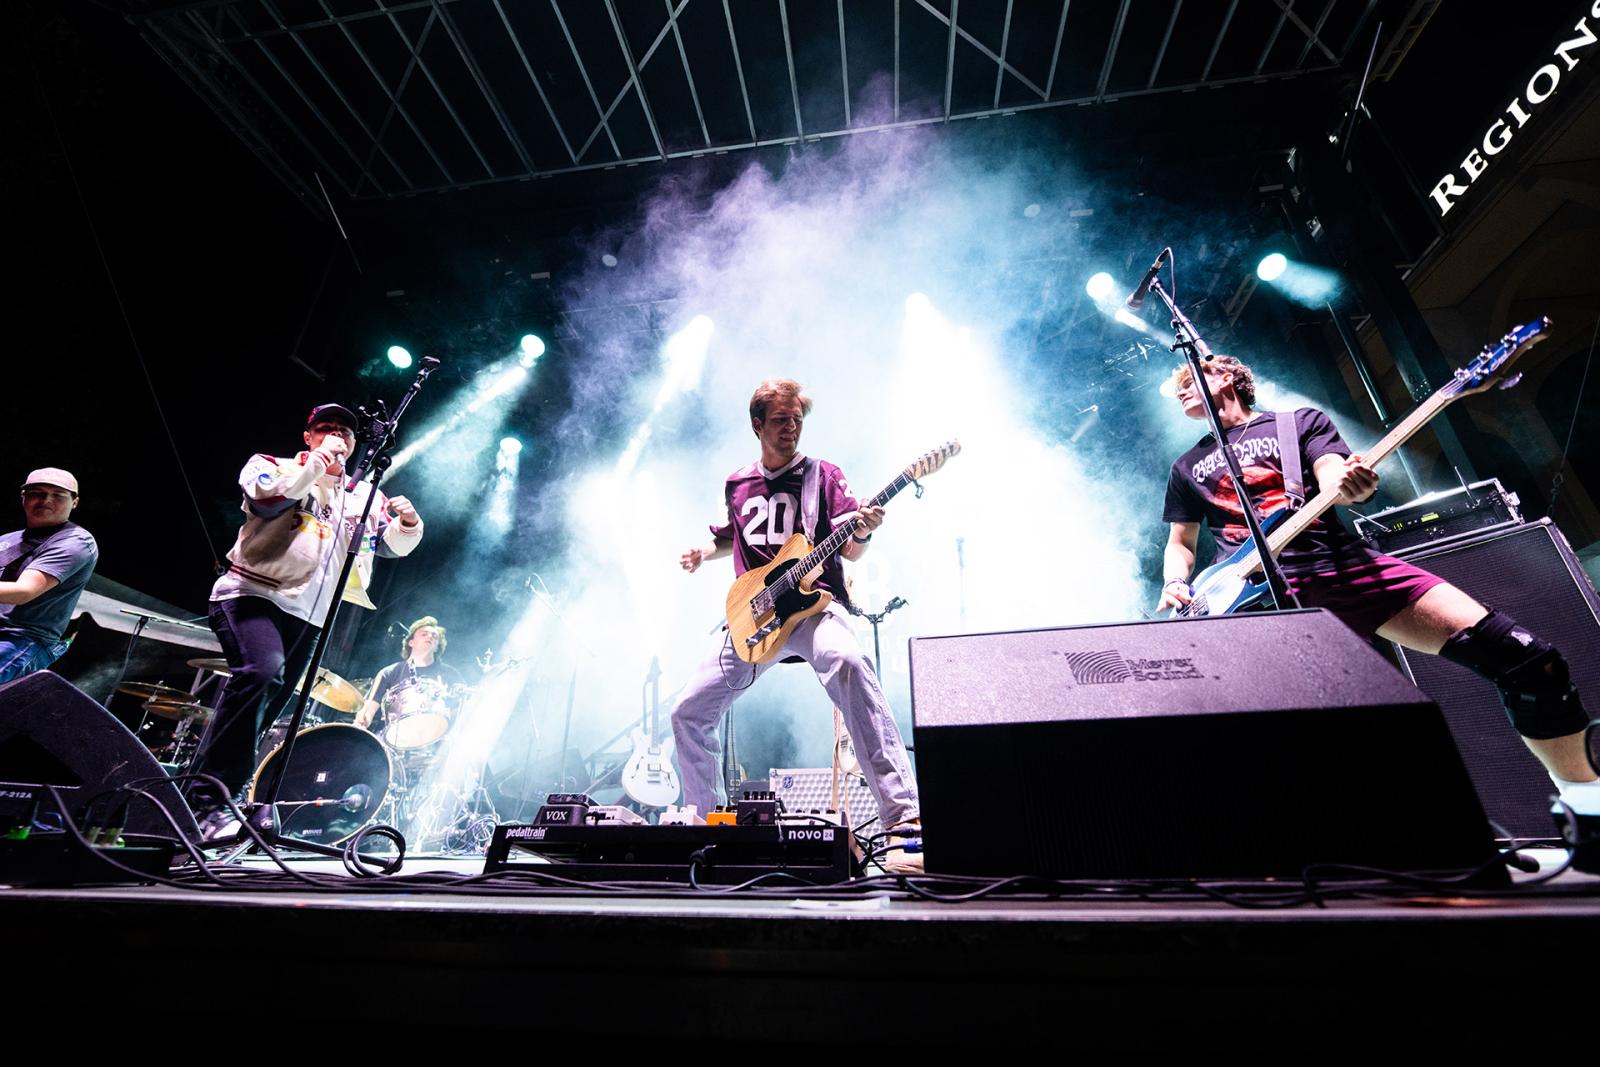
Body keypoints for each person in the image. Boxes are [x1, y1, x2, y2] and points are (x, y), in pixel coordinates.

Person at [1157, 355, 1598, 810]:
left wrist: (1350, 484)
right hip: (1250, 597)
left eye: (1190, 380)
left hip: (1339, 567)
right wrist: (1175, 580)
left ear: (1226, 377)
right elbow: (1181, 542)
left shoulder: (1298, 423)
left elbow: (1335, 471)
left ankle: (1587, 806)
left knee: (1524, 657)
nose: (1181, 392)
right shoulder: (1186, 466)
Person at [671, 378, 921, 848]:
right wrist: (702, 553)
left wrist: (865, 532)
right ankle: (703, 828)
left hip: (813, 606)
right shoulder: (739, 483)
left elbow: (850, 548)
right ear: (757, 425)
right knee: (687, 711)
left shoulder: (823, 476)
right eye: (781, 420)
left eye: (797, 420)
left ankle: (903, 815)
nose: (791, 428)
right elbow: (732, 537)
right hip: (755, 615)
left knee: (848, 663)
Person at [188, 404, 425, 835]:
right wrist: (317, 465)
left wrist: (408, 523)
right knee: (262, 674)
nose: (338, 436)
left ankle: (226, 797)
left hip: (310, 616)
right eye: (327, 429)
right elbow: (268, 502)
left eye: (346, 433)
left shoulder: (361, 496)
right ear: (308, 436)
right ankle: (205, 800)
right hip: (253, 594)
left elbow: (386, 546)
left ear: (357, 444)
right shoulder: (271, 466)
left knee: (270, 701)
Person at [0, 468, 98, 684]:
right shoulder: (9, 539)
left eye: (58, 494)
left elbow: (23, 592)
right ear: (23, 497)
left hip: (22, 640)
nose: (46, 499)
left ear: (75, 502)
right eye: (37, 492)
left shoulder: (76, 541)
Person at [356, 615, 461, 745]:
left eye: (434, 636)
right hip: (395, 739)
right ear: (411, 642)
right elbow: (370, 707)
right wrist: (365, 717)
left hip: (436, 741)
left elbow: (462, 707)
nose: (430, 637)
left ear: (437, 646)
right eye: (424, 634)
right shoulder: (389, 672)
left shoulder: (451, 675)